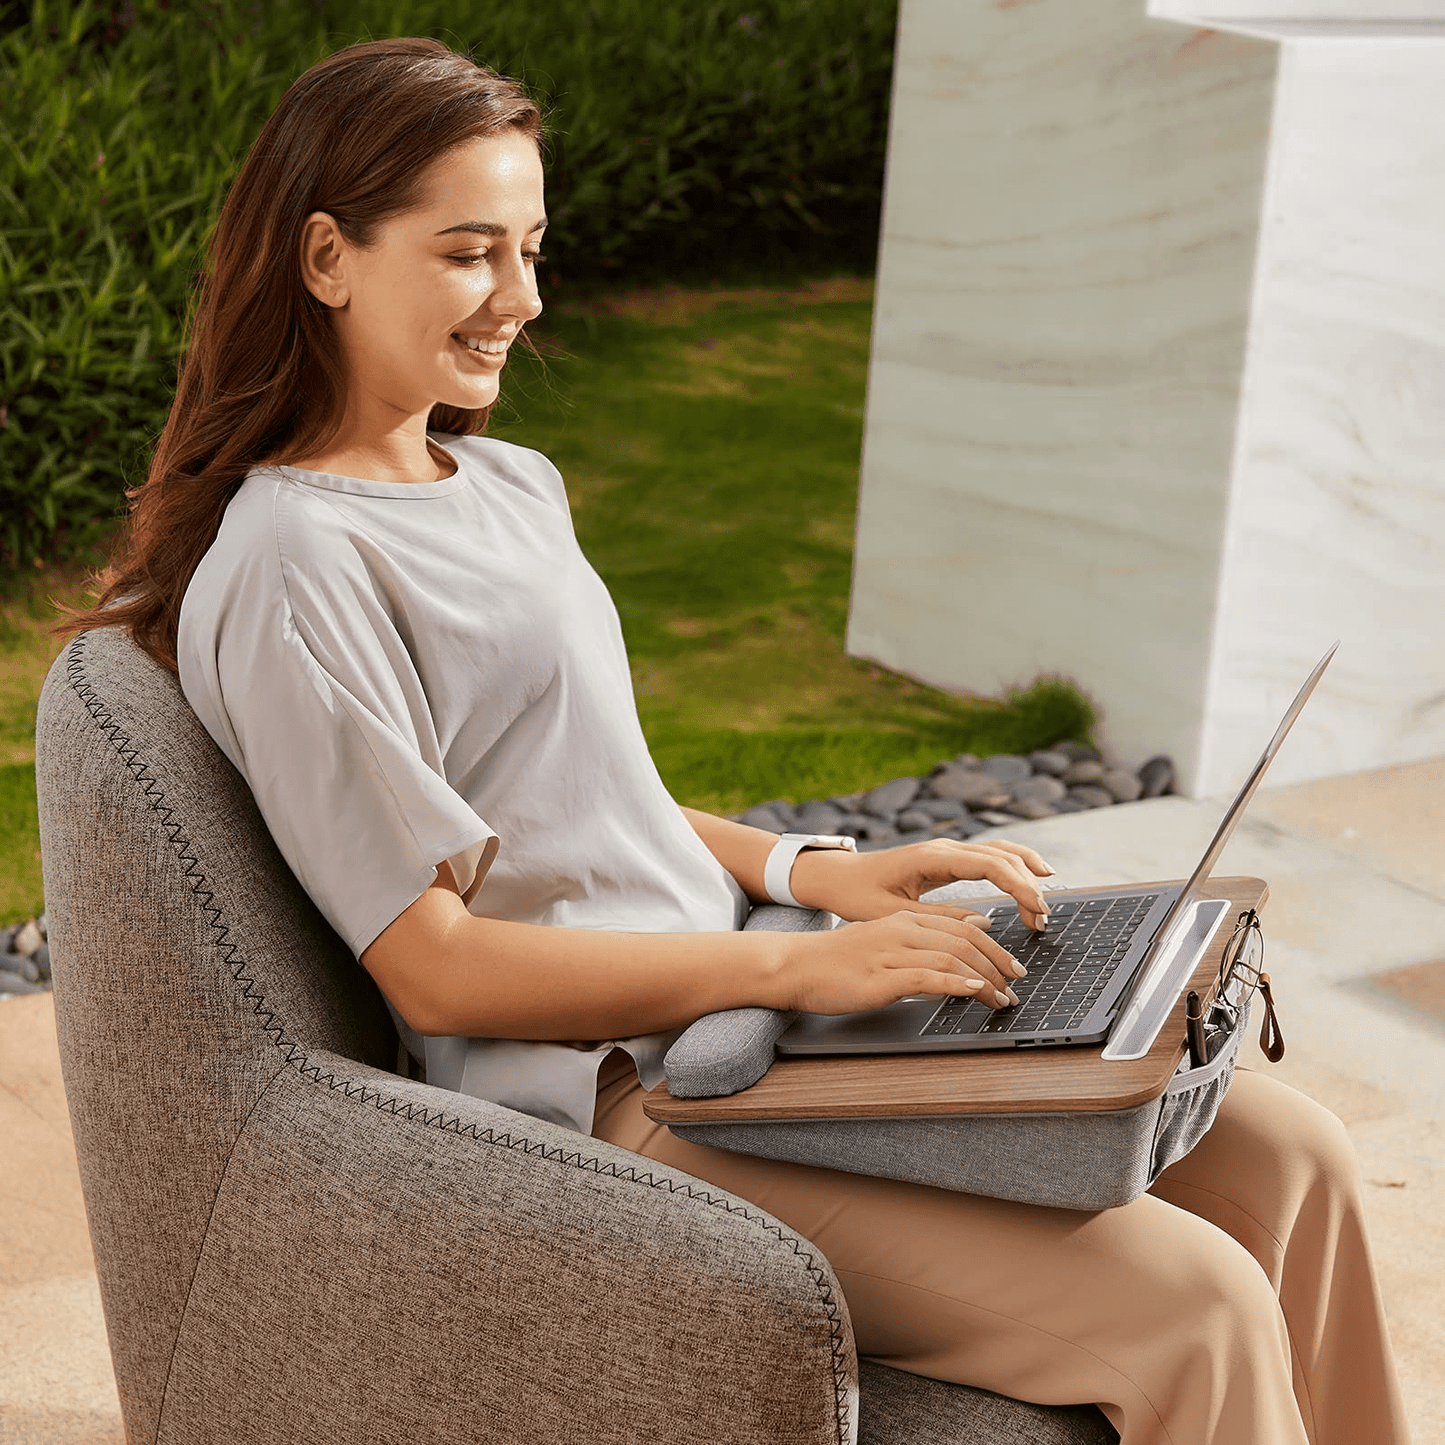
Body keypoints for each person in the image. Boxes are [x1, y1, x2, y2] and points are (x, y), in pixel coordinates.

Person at [56, 37, 1411, 1445]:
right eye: (470, 255)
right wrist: (804, 965)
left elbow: (583, 795)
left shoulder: (505, 480)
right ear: (326, 256)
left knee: (1296, 1155)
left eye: (529, 248)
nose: (520, 299)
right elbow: (436, 968)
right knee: (1190, 1306)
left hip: (774, 1025)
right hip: (645, 1094)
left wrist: (821, 872)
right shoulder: (292, 569)